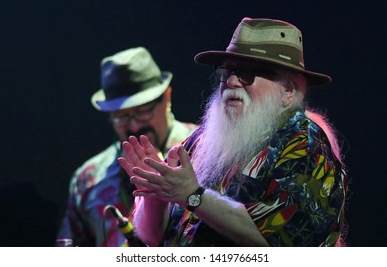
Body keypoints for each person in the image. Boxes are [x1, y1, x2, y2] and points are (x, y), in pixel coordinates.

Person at [119, 18, 348, 247]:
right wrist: (156, 195)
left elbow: (279, 242)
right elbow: (151, 237)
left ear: (287, 90)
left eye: (248, 73)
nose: (231, 81)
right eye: (227, 71)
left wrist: (192, 195)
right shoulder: (200, 141)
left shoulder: (305, 146)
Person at [57, 47, 198, 246]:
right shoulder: (87, 177)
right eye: (122, 116)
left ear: (167, 97)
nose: (134, 125)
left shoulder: (204, 149)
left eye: (142, 111)